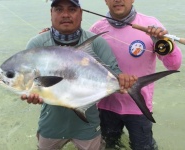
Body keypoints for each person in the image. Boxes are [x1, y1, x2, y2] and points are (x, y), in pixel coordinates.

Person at [20, 0, 137, 149]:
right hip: (50, 124)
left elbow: (115, 73)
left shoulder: (96, 43)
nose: (66, 15)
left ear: (80, 13)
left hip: (88, 125)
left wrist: (123, 80)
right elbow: (28, 80)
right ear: (51, 13)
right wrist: (32, 92)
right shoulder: (36, 44)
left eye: (72, 9)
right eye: (59, 9)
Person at [90, 0, 182, 150]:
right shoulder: (96, 29)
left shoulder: (151, 26)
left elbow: (174, 65)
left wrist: (163, 42)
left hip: (139, 108)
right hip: (105, 106)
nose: (118, 0)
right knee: (108, 146)